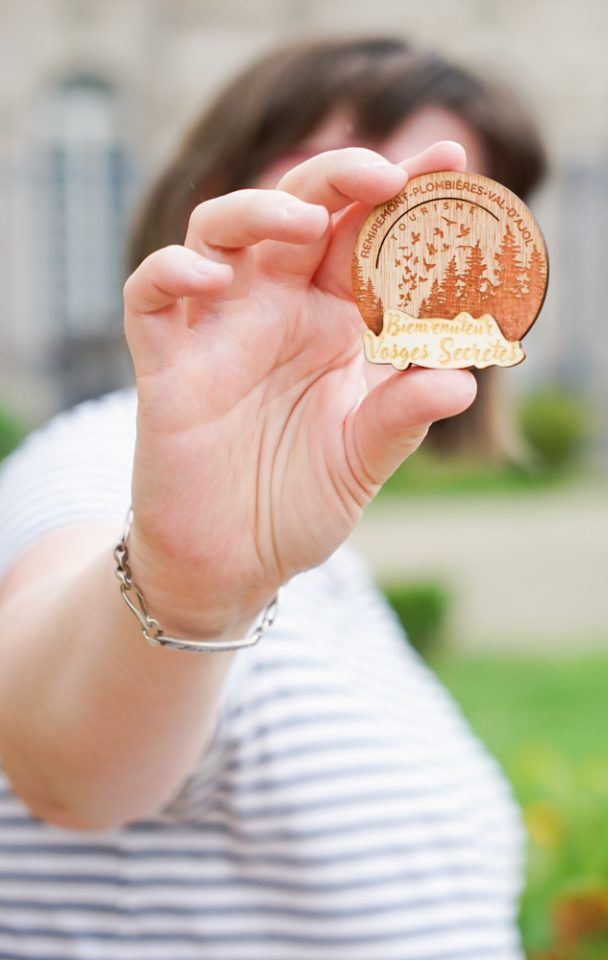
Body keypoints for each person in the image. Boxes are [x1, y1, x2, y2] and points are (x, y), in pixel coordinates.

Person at [0, 34, 547, 960]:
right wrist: (185, 578)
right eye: (351, 190)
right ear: (217, 194)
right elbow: (63, 769)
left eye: (434, 215)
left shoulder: (315, 537)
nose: (391, 245)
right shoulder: (108, 464)